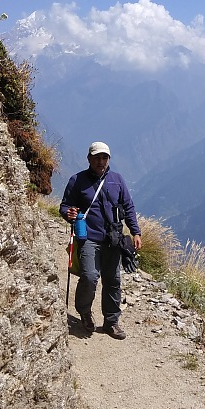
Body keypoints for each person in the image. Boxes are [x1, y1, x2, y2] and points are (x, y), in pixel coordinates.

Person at [60, 142, 142, 340]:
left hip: (113, 239)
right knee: (89, 276)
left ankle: (111, 322)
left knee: (113, 281)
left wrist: (135, 232)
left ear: (109, 159)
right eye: (97, 157)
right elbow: (65, 206)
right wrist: (68, 213)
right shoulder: (77, 180)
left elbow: (128, 207)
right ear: (89, 158)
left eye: (104, 157)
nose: (100, 161)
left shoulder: (117, 180)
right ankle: (85, 312)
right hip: (88, 237)